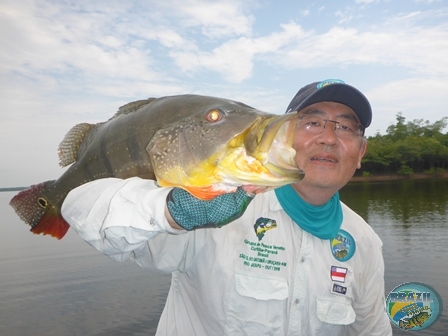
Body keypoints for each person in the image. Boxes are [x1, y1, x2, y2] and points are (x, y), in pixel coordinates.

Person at [61, 79, 392, 335]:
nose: (328, 138)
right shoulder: (218, 204)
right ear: (286, 138)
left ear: (361, 152)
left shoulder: (363, 242)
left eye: (345, 127)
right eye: (311, 123)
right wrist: (172, 211)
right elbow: (83, 209)